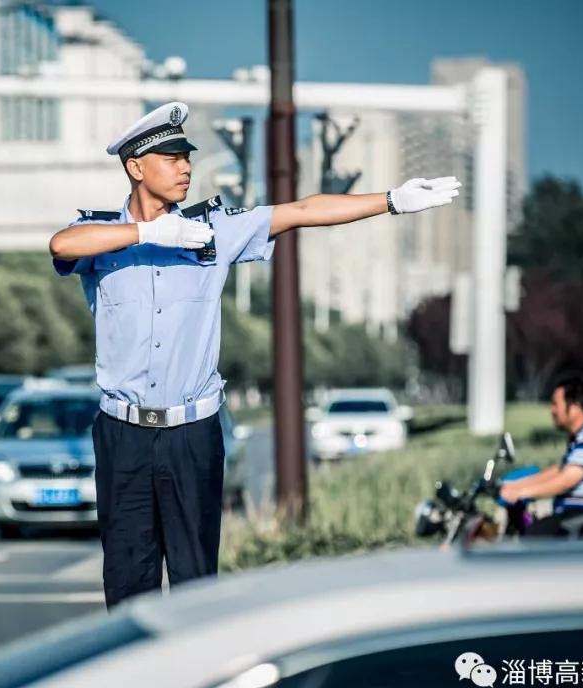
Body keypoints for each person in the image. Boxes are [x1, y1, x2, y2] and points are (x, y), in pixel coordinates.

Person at [49, 101, 461, 608]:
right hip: (123, 435)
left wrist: (392, 200)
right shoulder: (101, 238)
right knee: (127, 585)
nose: (186, 168)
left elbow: (301, 211)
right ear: (136, 167)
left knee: (196, 587)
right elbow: (62, 244)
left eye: (187, 157)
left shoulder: (213, 231)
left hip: (191, 435)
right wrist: (148, 234)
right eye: (172, 159)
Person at [499, 377, 583, 537]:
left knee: (532, 537)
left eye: (555, 404)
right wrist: (514, 485)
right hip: (582, 516)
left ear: (575, 407)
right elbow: (561, 470)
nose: (552, 410)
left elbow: (567, 479)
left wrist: (521, 492)